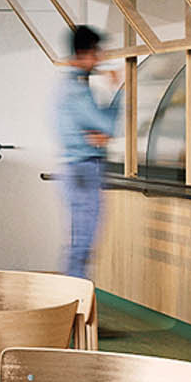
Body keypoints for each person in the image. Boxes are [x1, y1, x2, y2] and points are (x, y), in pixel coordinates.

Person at [54, 24, 125, 279]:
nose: (100, 59)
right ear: (84, 54)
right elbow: (106, 124)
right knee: (82, 243)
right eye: (97, 53)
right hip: (83, 169)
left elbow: (99, 131)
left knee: (79, 241)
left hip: (77, 168)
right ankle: (74, 310)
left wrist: (99, 134)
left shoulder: (69, 85)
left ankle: (72, 307)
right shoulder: (77, 90)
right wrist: (119, 91)